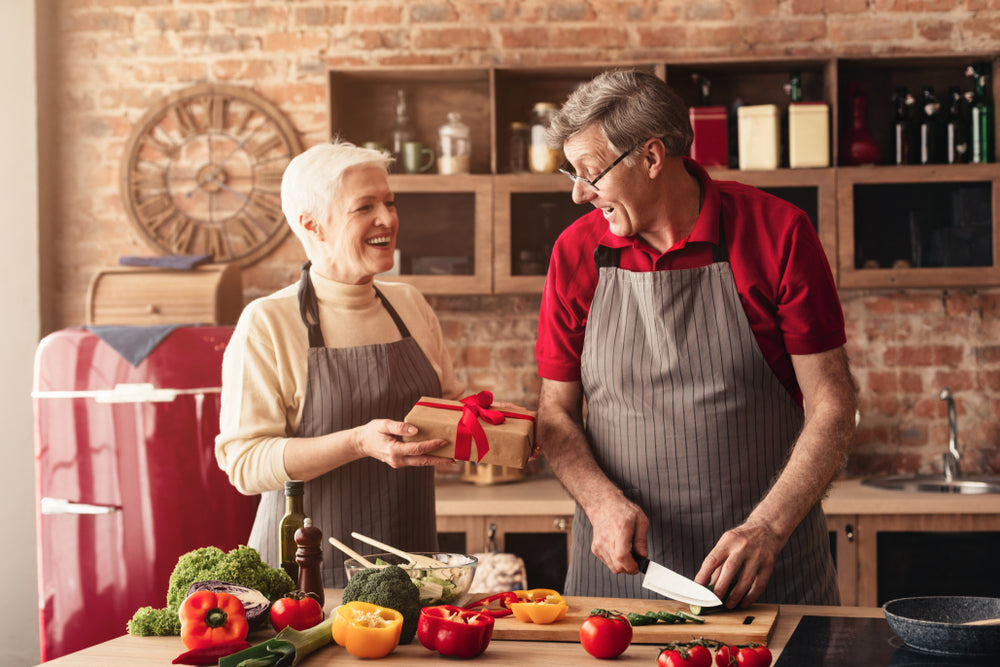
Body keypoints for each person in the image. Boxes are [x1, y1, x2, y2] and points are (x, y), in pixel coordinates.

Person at [535, 70, 858, 607]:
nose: (577, 194)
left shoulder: (777, 232)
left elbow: (833, 403)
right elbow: (555, 413)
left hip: (764, 578)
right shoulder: (575, 253)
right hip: (621, 585)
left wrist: (768, 530)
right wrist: (599, 503)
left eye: (590, 173)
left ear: (653, 158)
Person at [215, 141, 465, 588]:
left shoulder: (409, 304)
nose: (387, 219)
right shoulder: (268, 321)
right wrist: (357, 442)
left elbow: (446, 408)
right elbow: (246, 463)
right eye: (364, 207)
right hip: (307, 576)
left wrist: (498, 427)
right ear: (313, 225)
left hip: (411, 563)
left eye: (389, 202)